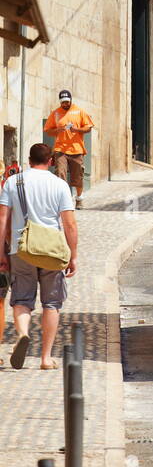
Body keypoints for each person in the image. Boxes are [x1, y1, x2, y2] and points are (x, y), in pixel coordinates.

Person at [0, 143, 77, 370]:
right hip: (51, 251)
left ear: (28, 159)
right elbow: (69, 224)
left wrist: (2, 251)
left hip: (21, 248)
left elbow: (3, 218)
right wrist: (73, 256)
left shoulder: (13, 182)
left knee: (22, 299)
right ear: (51, 161)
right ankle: (45, 358)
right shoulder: (60, 184)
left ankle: (23, 334)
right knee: (51, 303)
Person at [44, 89, 94, 209]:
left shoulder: (79, 111)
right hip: (60, 149)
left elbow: (88, 128)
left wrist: (77, 130)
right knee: (60, 174)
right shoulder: (55, 113)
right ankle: (62, 200)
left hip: (77, 149)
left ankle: (79, 199)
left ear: (71, 100)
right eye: (63, 102)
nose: (65, 104)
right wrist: (57, 130)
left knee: (78, 177)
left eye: (67, 102)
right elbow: (47, 130)